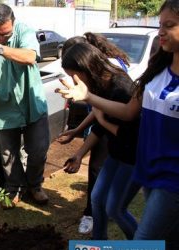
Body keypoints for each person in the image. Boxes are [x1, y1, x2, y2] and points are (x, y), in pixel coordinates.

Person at [57, 0, 179, 247]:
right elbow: (127, 112)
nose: (161, 32)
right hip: (147, 168)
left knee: (144, 240)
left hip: (172, 177)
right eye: (160, 25)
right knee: (168, 239)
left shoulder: (119, 84)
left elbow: (125, 126)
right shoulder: (157, 70)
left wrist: (98, 115)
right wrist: (88, 100)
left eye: (170, 25)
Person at [0, 3, 50, 206]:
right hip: (3, 109)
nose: (2, 37)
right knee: (8, 155)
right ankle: (14, 187)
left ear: (13, 23)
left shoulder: (23, 31)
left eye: (6, 34)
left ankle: (35, 185)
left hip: (31, 103)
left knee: (39, 150)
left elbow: (30, 56)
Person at [59, 43, 141, 240]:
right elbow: (100, 120)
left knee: (115, 210)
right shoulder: (101, 84)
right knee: (97, 199)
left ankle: (140, 242)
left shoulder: (120, 88)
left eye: (74, 76)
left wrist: (101, 118)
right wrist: (78, 145)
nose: (73, 80)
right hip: (117, 152)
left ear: (87, 69)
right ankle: (99, 241)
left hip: (133, 157)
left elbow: (128, 133)